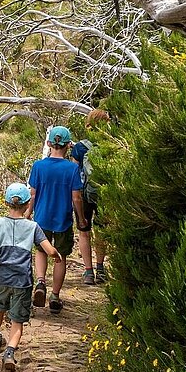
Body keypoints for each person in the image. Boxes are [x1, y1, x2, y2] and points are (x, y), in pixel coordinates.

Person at [0, 182, 63, 372]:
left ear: (6, 203)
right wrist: (56, 255)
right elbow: (47, 249)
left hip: (2, 277)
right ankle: (9, 353)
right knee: (17, 320)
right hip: (22, 280)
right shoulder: (33, 227)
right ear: (28, 204)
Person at [27, 125, 85, 315]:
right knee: (60, 257)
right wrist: (81, 219)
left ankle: (41, 282)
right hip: (63, 220)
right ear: (68, 145)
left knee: (41, 251)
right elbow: (76, 198)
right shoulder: (72, 169)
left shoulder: (38, 166)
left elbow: (33, 195)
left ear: (49, 143)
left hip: (41, 219)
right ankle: (55, 296)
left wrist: (27, 215)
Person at [71, 109, 111, 284]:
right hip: (104, 194)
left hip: (83, 195)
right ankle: (101, 268)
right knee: (101, 231)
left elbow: (74, 173)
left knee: (84, 232)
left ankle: (88, 272)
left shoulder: (80, 147)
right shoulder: (111, 144)